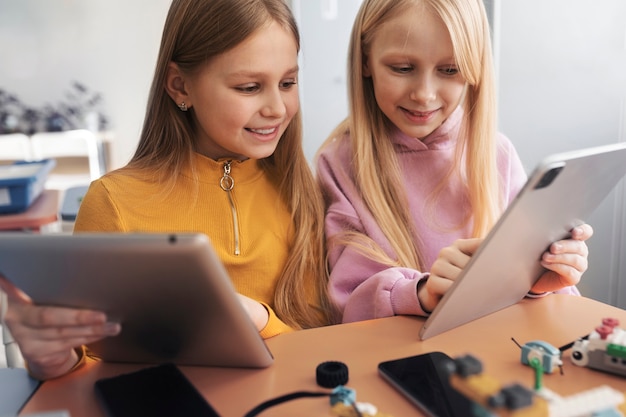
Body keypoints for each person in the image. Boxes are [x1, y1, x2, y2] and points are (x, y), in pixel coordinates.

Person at [0, 0, 334, 380]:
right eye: (249, 87)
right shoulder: (115, 203)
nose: (277, 107)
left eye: (288, 83)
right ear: (179, 86)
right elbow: (89, 367)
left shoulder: (298, 188)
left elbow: (319, 344)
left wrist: (257, 320)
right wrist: (55, 361)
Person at [316, 0, 593, 323]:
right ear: (365, 61)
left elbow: (541, 309)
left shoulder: (497, 154)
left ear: (474, 70)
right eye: (402, 68)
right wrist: (422, 293)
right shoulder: (339, 164)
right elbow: (347, 303)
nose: (424, 94)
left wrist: (542, 279)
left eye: (449, 70)